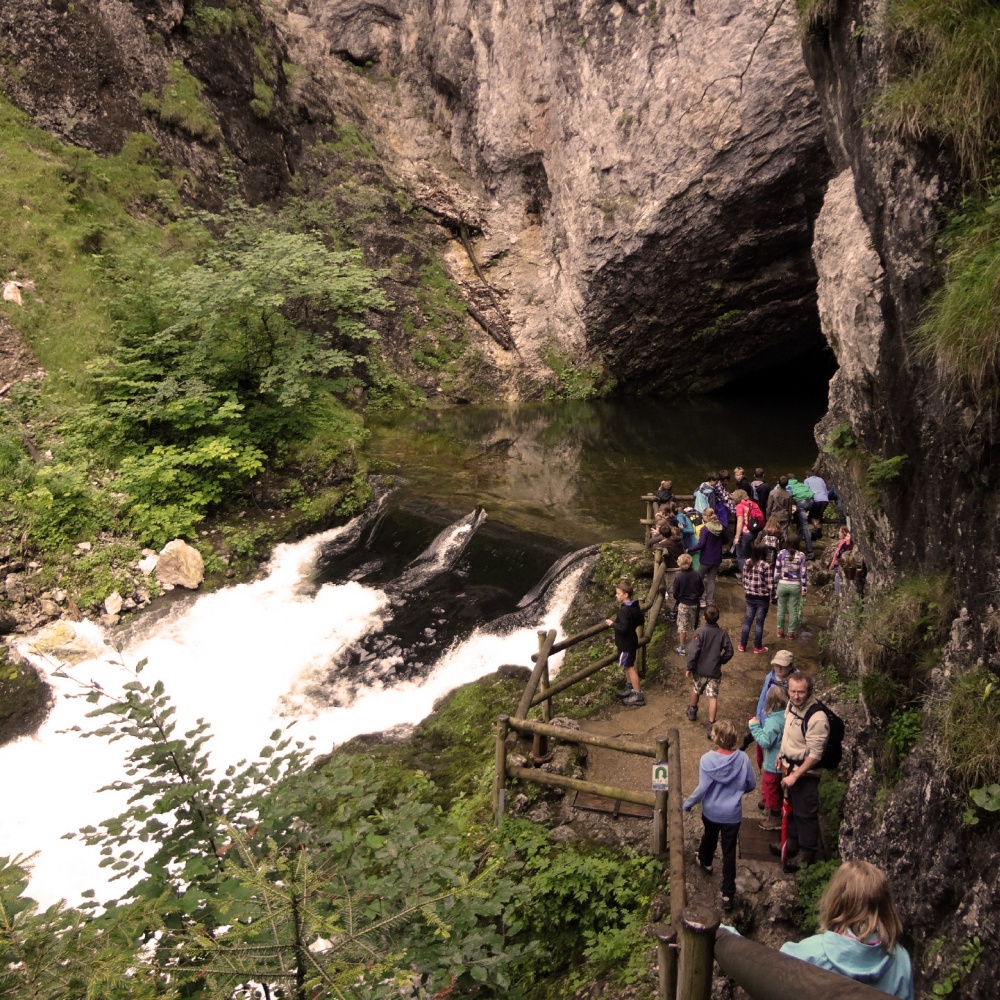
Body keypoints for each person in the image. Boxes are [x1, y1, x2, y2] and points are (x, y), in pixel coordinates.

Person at [780, 861, 915, 999]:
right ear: (886, 907)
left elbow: (774, 974)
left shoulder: (810, 952)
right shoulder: (900, 960)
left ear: (835, 901)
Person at [684, 719, 755, 913]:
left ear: (717, 738)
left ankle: (705, 861)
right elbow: (751, 784)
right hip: (732, 814)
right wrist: (737, 791)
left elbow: (702, 789)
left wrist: (688, 804)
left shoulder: (707, 760)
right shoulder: (742, 759)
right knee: (729, 851)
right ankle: (727, 894)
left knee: (710, 835)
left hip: (711, 810)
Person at [772, 670, 829, 872]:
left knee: (805, 813)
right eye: (793, 691)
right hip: (789, 768)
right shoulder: (791, 705)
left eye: (801, 692)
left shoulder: (817, 718)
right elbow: (788, 733)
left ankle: (806, 855)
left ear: (809, 691)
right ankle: (792, 844)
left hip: (805, 775)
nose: (796, 696)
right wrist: (781, 753)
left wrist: (796, 775)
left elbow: (816, 754)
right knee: (791, 808)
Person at [686, 604, 734, 735]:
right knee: (713, 697)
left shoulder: (700, 632)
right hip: (714, 671)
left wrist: (689, 666)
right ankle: (711, 724)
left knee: (696, 689)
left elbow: (693, 651)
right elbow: (730, 651)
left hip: (700, 669)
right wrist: (721, 660)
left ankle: (692, 710)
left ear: (704, 617)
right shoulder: (722, 634)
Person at [749, 685, 788, 831]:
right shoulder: (787, 717)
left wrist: (755, 727)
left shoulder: (773, 722)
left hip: (773, 764)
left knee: (770, 788)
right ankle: (773, 806)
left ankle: (774, 818)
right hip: (784, 762)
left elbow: (765, 742)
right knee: (779, 788)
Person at [606, 579, 645, 706]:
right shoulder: (634, 605)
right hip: (632, 640)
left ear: (625, 594)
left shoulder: (623, 611)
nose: (616, 596)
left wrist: (613, 624)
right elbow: (640, 621)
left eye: (618, 593)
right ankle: (630, 688)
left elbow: (623, 628)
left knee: (630, 667)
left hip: (625, 643)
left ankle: (638, 694)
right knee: (627, 665)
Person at [688, 508, 729, 607]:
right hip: (717, 558)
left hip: (706, 558)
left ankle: (701, 599)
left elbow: (701, 544)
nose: (702, 517)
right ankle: (710, 601)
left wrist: (689, 549)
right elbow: (726, 540)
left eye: (703, 516)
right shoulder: (720, 527)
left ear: (706, 517)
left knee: (699, 578)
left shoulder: (705, 529)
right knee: (711, 580)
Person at [738, 541, 773, 654]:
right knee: (759, 622)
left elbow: (743, 579)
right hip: (762, 598)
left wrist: (747, 589)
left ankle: (742, 645)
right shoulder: (766, 565)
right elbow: (770, 584)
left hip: (749, 596)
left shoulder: (747, 562)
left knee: (747, 620)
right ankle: (757, 647)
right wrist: (774, 596)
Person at [774, 533, 808, 639]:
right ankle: (791, 633)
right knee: (793, 609)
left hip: (782, 584)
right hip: (795, 585)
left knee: (781, 609)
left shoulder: (781, 554)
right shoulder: (801, 555)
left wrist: (775, 583)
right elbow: (803, 572)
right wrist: (804, 587)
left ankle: (780, 631)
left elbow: (777, 571)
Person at [672, 553, 703, 655]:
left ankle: (682, 648)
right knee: (696, 625)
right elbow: (701, 589)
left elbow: (675, 593)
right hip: (695, 603)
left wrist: (679, 598)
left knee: (682, 626)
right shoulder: (697, 574)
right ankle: (697, 646)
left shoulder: (679, 577)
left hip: (683, 604)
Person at [732, 488, 764, 572]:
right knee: (750, 555)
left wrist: (737, 537)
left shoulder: (740, 506)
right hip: (754, 531)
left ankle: (745, 576)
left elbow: (740, 522)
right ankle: (753, 573)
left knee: (741, 556)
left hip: (745, 533)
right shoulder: (753, 503)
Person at [787, 474, 815, 558]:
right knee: (799, 521)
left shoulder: (788, 485)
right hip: (810, 502)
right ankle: (797, 544)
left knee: (804, 526)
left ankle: (810, 551)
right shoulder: (801, 484)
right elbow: (811, 493)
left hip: (801, 504)